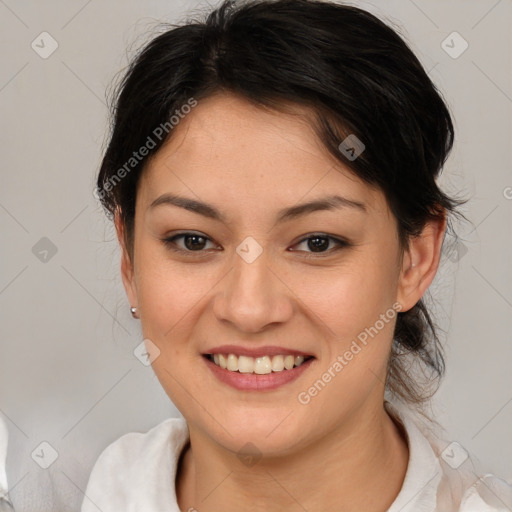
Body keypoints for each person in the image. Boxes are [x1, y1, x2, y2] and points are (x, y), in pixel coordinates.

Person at [82, 0, 512, 510]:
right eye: (193, 241)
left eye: (317, 242)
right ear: (129, 258)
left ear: (413, 259)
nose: (249, 309)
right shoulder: (90, 490)